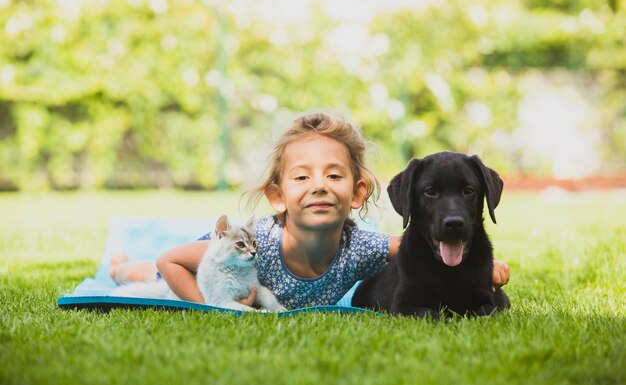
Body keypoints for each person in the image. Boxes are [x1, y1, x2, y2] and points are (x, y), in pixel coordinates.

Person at [110, 113, 510, 309]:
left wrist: (486, 267)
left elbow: (411, 247)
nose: (318, 185)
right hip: (220, 271)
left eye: (333, 175)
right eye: (301, 178)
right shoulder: (261, 243)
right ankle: (120, 266)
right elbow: (172, 260)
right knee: (153, 275)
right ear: (277, 196)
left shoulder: (359, 248)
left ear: (356, 194)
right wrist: (208, 305)